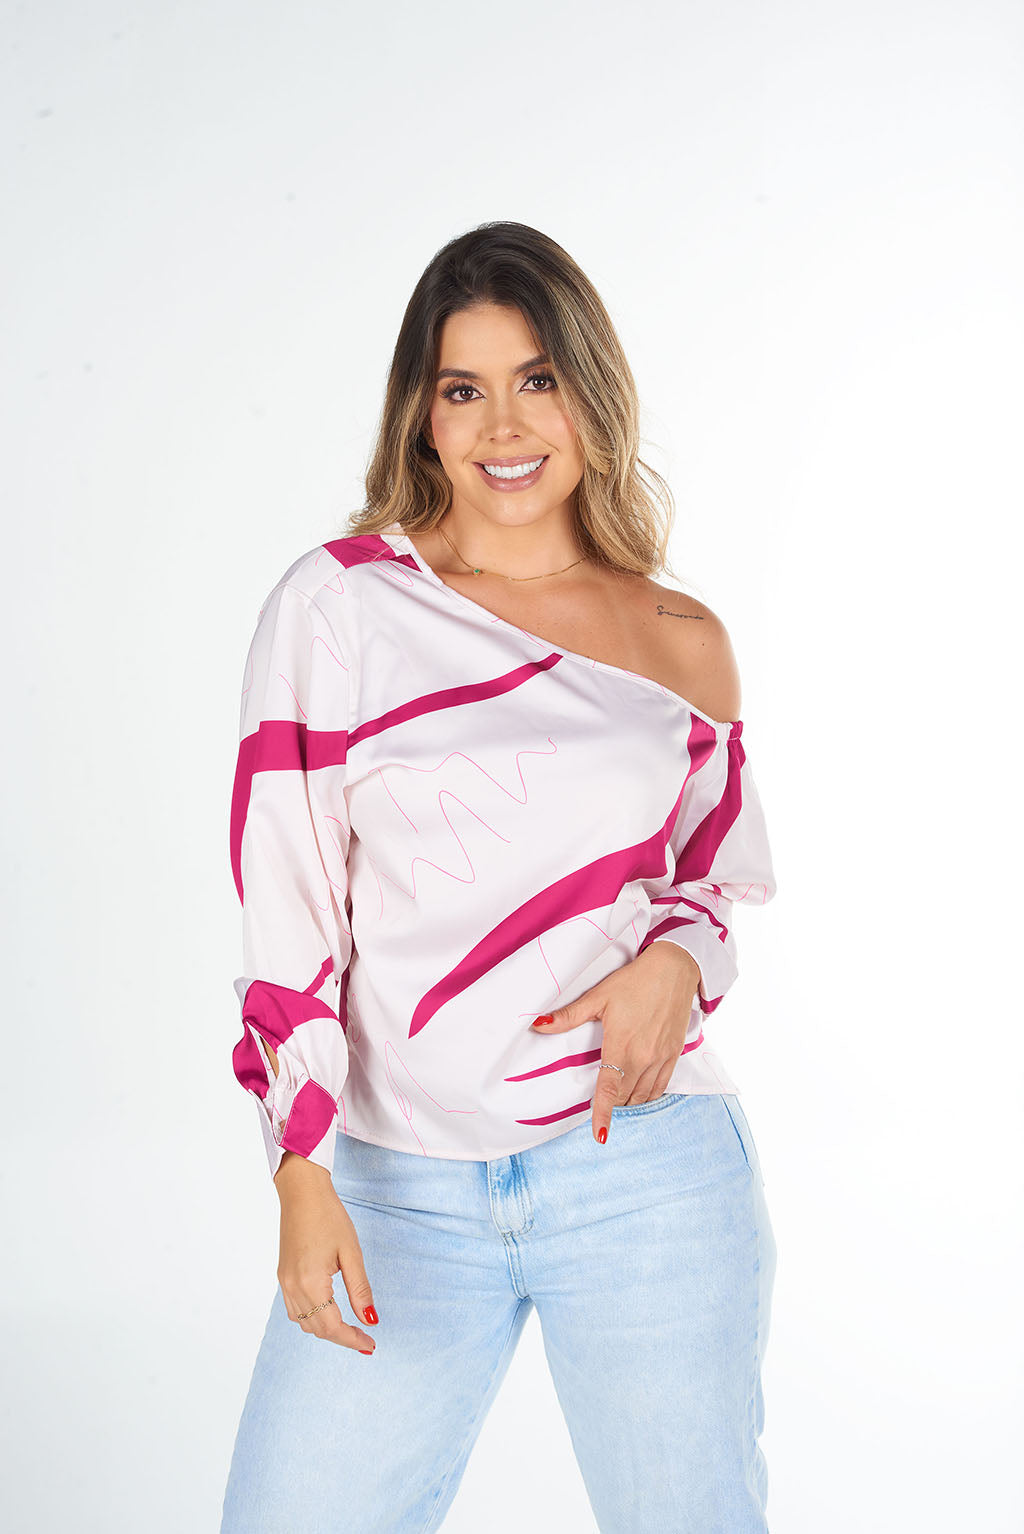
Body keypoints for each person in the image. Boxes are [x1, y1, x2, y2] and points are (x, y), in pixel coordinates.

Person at [220, 220, 779, 1533]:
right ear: (422, 418)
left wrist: (676, 960)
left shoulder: (678, 636)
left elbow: (717, 879)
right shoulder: (341, 609)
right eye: (462, 389)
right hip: (395, 1185)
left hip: (644, 1168)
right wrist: (298, 1167)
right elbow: (287, 897)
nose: (504, 426)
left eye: (538, 379)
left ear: (591, 395)